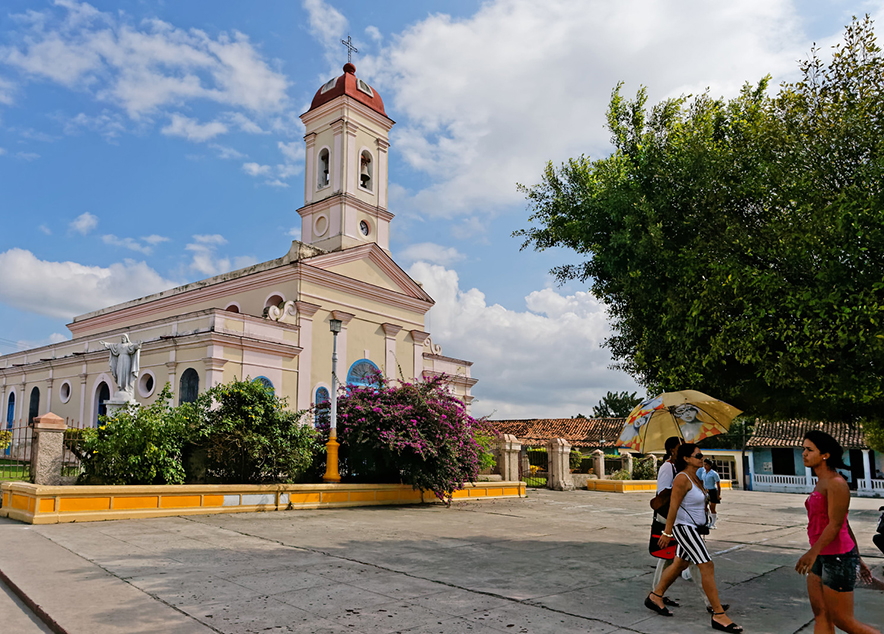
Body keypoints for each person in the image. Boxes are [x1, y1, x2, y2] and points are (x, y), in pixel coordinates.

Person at [646, 443, 741, 632]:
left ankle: (656, 596)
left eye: (701, 455)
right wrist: (667, 532)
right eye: (698, 455)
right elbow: (673, 507)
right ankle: (718, 614)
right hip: (684, 528)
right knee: (706, 564)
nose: (702, 458)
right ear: (687, 459)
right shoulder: (681, 478)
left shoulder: (696, 477)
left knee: (680, 564)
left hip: (695, 528)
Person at [796, 430, 880, 634]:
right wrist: (858, 558)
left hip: (838, 558)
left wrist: (812, 553)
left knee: (843, 620)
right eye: (803, 449)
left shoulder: (836, 484)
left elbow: (835, 525)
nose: (804, 454)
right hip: (821, 555)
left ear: (825, 455)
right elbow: (845, 524)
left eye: (809, 449)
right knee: (821, 615)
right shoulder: (821, 482)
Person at [649, 436, 711, 612]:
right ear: (672, 450)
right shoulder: (668, 468)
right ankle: (711, 603)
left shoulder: (682, 469)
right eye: (679, 447)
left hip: (684, 520)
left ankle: (657, 593)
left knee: (680, 559)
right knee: (685, 559)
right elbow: (663, 494)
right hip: (672, 518)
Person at [703, 459, 722, 529]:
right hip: (705, 491)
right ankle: (707, 521)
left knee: (712, 507)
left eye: (707, 465)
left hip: (713, 491)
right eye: (704, 464)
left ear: (710, 465)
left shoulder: (714, 473)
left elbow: (718, 485)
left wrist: (718, 494)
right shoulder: (704, 472)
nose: (705, 466)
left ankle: (713, 523)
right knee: (704, 507)